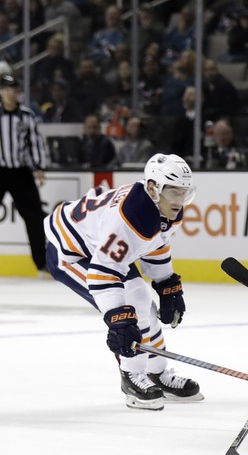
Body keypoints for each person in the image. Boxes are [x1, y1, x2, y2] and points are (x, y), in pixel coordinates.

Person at [43, 153, 203, 411]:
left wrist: (166, 285)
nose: (180, 200)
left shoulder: (164, 208)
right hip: (70, 253)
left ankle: (157, 373)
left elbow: (155, 243)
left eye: (185, 192)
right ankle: (131, 376)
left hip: (99, 248)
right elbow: (102, 273)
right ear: (153, 187)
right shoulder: (130, 216)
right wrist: (118, 319)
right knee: (133, 306)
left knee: (143, 304)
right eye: (174, 192)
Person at [0, 74, 48, 274]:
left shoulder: (27, 115)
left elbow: (36, 142)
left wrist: (38, 167)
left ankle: (41, 264)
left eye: (13, 89)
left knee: (34, 218)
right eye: (6, 88)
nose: (10, 92)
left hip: (21, 172)